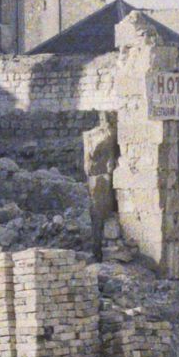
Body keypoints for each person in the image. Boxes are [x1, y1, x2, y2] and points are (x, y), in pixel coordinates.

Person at [83, 111, 119, 261]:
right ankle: (97, 251)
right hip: (97, 179)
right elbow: (88, 160)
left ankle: (100, 251)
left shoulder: (108, 135)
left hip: (104, 178)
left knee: (101, 216)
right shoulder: (94, 135)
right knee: (97, 217)